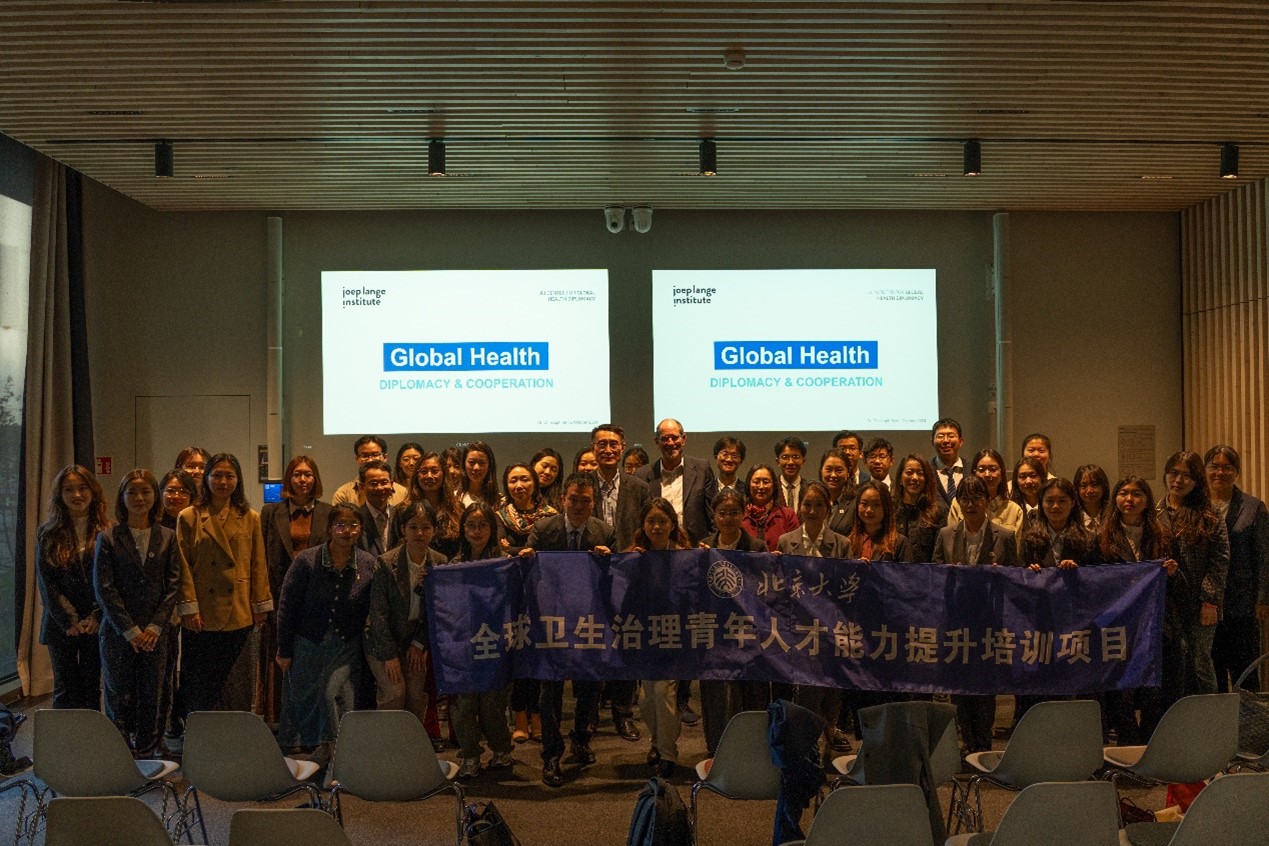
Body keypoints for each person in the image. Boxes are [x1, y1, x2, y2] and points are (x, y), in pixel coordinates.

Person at [519, 472, 617, 787]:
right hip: (552, 621)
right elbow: (526, 572)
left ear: (594, 502)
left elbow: (616, 580)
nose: (578, 506)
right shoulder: (543, 529)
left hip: (588, 619)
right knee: (550, 689)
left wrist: (609, 561)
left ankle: (581, 739)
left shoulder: (604, 532)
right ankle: (551, 753)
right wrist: (526, 557)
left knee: (590, 684)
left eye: (585, 501)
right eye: (573, 499)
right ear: (563, 499)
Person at [275, 502, 375, 762]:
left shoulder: (367, 563)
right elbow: (287, 606)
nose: (347, 531)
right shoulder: (306, 561)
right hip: (309, 640)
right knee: (305, 696)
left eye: (353, 525)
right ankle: (315, 748)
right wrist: (284, 649)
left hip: (346, 643)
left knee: (335, 693)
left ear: (360, 529)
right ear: (330, 528)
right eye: (340, 525)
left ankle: (337, 749)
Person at [176, 452, 272, 714]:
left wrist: (260, 605)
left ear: (238, 480)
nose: (223, 482)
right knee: (201, 682)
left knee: (236, 683)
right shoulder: (189, 516)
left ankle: (236, 730)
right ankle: (200, 730)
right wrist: (189, 607)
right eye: (217, 475)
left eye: (229, 476)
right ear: (206, 478)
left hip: (239, 610)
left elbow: (258, 563)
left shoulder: (250, 517)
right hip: (202, 613)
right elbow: (183, 566)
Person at [93, 469, 181, 757]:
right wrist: (131, 631)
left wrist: (154, 627)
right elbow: (104, 589)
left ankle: (148, 749)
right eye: (132, 492)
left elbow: (173, 585)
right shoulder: (107, 538)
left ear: (155, 496)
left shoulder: (168, 537)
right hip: (118, 631)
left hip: (156, 633)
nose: (139, 498)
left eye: (145, 491)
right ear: (122, 497)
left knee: (153, 692)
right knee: (119, 692)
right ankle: (119, 753)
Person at [932, 477, 1017, 753]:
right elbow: (933, 575)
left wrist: (999, 576)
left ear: (987, 500)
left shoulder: (1005, 535)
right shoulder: (946, 534)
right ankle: (967, 745)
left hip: (988, 621)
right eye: (964, 499)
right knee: (959, 687)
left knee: (985, 687)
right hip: (955, 621)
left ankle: (983, 745)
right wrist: (949, 574)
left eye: (976, 498)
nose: (970, 504)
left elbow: (1015, 579)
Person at [1094, 476, 1178, 743]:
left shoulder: (1164, 536)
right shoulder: (1102, 538)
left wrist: (1173, 573)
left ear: (1147, 500)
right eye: (1123, 493)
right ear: (1115, 499)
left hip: (1155, 624)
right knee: (1123, 689)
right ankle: (1127, 745)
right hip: (1119, 625)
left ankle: (1150, 745)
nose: (1129, 499)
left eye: (1137, 494)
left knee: (1154, 689)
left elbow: (1181, 584)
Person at [258, 455, 332, 724]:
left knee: (313, 661)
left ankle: (311, 723)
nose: (303, 479)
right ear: (289, 479)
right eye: (297, 474)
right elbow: (261, 557)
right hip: (280, 596)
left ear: (315, 479)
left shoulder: (328, 512)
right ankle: (279, 721)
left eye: (308, 474)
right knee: (279, 658)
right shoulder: (270, 513)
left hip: (316, 598)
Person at [447, 502, 517, 779]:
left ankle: (501, 749)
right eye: (471, 526)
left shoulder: (504, 561)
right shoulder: (453, 565)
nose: (476, 531)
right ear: (463, 529)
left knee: (492, 703)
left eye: (483, 525)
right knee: (463, 704)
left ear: (492, 528)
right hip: (463, 644)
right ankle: (470, 754)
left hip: (494, 642)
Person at [697, 489, 768, 754]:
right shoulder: (704, 547)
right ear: (714, 515)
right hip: (714, 629)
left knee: (752, 691)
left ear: (744, 514)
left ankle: (753, 749)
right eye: (722, 513)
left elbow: (764, 590)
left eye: (734, 513)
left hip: (748, 629)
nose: (728, 518)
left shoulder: (757, 548)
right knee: (715, 690)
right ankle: (716, 748)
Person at [365, 501, 446, 730]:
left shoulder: (439, 562)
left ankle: (411, 744)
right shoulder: (386, 563)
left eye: (426, 527)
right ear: (403, 529)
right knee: (395, 692)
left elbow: (437, 611)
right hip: (382, 641)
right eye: (413, 527)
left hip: (415, 640)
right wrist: (390, 656)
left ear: (434, 530)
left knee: (415, 695)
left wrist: (419, 643)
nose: (419, 533)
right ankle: (388, 745)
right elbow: (378, 614)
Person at [1157, 450, 1230, 702]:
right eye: (1173, 473)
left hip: (1201, 602)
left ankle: (1210, 717)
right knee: (1174, 661)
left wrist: (1210, 600)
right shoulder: (1155, 512)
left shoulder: (1209, 513)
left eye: (1187, 475)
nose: (1178, 480)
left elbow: (1220, 560)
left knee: (1200, 662)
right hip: (1167, 602)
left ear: (1197, 480)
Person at [627, 498, 691, 778]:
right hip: (645, 636)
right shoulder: (635, 557)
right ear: (643, 525)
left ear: (672, 525)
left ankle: (667, 754)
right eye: (651, 521)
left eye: (662, 521)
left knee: (664, 693)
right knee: (646, 699)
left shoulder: (685, 557)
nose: (656, 527)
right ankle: (658, 741)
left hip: (674, 635)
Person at [37, 465, 109, 709]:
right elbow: (47, 583)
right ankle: (62, 735)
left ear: (93, 491)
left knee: (91, 686)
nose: (77, 495)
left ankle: (90, 734)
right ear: (60, 495)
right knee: (64, 687)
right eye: (68, 489)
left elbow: (110, 582)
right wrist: (70, 620)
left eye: (82, 488)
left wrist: (95, 616)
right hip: (60, 623)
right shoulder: (47, 533)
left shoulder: (108, 531)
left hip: (96, 622)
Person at [495, 463, 557, 743]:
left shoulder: (551, 515)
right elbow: (500, 548)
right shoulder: (499, 516)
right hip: (511, 593)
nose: (518, 485)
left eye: (524, 479)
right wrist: (526, 550)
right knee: (518, 653)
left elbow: (551, 549)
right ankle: (519, 715)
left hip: (543, 593)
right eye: (513, 480)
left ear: (534, 482)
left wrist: (515, 549)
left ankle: (537, 714)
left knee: (540, 653)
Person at [1204, 445, 1269, 692]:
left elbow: (1264, 556)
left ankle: (1249, 716)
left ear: (1236, 472)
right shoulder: (1198, 507)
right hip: (1207, 604)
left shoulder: (1253, 507)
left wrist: (1262, 598)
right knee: (1213, 671)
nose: (1220, 472)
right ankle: (1219, 717)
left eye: (1227, 467)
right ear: (1205, 470)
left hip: (1242, 603)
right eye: (1214, 466)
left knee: (1245, 670)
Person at [635, 418, 717, 546]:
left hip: (696, 549)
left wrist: (711, 546)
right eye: (664, 438)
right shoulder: (642, 475)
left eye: (674, 437)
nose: (670, 443)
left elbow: (713, 515)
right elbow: (638, 519)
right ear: (657, 442)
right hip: (656, 550)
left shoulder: (702, 469)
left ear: (683, 439)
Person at [591, 424, 653, 551]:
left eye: (614, 444)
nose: (608, 450)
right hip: (591, 557)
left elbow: (647, 526)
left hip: (629, 558)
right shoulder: (583, 485)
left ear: (622, 448)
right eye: (602, 444)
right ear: (593, 448)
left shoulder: (639, 488)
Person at [1019, 478, 1097, 570]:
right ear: (1041, 503)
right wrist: (1028, 573)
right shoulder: (1029, 540)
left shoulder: (1088, 540)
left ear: (1072, 503)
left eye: (1062, 501)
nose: (1055, 506)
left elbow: (1095, 574)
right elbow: (1019, 574)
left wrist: (1076, 570)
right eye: (1050, 501)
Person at [947, 448, 1024, 534]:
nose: (987, 474)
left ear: (1001, 474)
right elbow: (951, 538)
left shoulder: (1014, 510)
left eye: (993, 469)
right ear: (974, 473)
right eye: (981, 470)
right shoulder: (958, 504)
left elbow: (1014, 542)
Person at [892, 454, 947, 563]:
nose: (915, 477)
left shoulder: (939, 511)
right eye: (909, 472)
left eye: (920, 473)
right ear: (900, 477)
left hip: (927, 572)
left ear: (927, 479)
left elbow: (939, 556)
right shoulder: (890, 508)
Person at [409, 451, 463, 559]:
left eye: (434, 471)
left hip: (449, 568)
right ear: (416, 475)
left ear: (444, 474)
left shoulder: (458, 509)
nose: (429, 476)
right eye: (424, 471)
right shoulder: (404, 509)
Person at [332, 436, 409, 508]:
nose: (370, 460)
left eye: (375, 455)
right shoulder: (343, 494)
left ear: (385, 457)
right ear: (357, 459)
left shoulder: (402, 493)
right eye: (365, 456)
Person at [742, 464, 800, 551]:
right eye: (756, 482)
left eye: (766, 482)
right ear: (748, 485)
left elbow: (796, 550)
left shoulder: (788, 515)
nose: (761, 486)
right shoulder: (740, 514)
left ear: (774, 485)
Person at [848, 480, 910, 562]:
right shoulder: (848, 541)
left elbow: (907, 570)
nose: (869, 510)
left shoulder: (899, 543)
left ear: (886, 507)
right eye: (864, 504)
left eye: (876, 505)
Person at [355, 459, 401, 558]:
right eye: (373, 483)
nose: (380, 488)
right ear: (362, 486)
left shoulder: (400, 516)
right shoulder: (356, 518)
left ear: (391, 484)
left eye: (384, 482)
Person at [930, 418, 966, 505]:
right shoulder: (926, 471)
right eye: (940, 436)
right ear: (932, 442)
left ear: (961, 442)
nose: (946, 440)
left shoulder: (972, 469)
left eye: (951, 436)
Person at [460, 440, 502, 508]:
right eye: (471, 462)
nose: (476, 468)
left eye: (482, 463)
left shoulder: (499, 500)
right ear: (464, 464)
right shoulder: (455, 498)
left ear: (489, 466)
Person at [774, 436, 810, 512]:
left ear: (803, 461)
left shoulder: (809, 489)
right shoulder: (771, 488)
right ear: (778, 461)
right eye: (785, 457)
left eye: (796, 457)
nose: (790, 462)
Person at [1073, 464, 1111, 532]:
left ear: (1104, 487)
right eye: (1083, 486)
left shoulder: (1113, 515)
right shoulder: (1072, 518)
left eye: (1094, 485)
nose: (1089, 491)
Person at [1009, 457, 1047, 524]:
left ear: (1042, 477)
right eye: (1023, 476)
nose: (1028, 481)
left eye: (1033, 475)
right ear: (1016, 481)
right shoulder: (1010, 509)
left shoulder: (1051, 507)